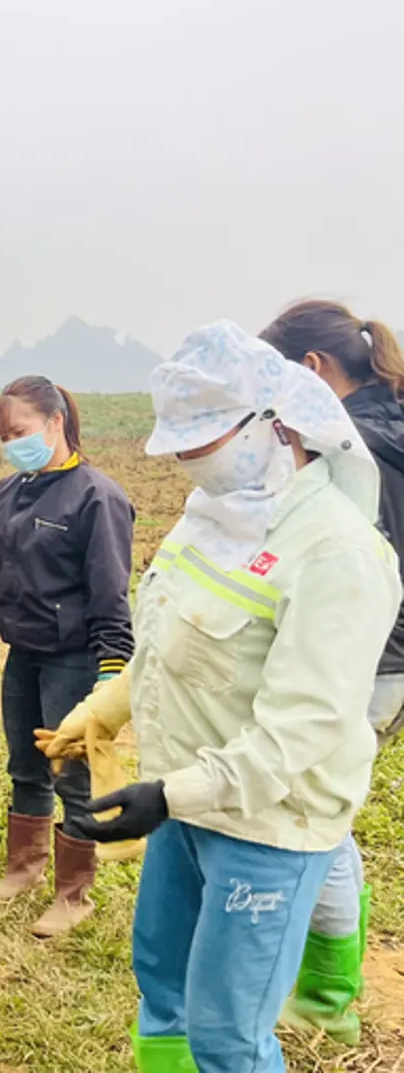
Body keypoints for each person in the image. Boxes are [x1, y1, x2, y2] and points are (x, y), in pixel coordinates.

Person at [40, 321, 400, 1073]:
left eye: (201, 443)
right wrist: (101, 711)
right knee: (163, 989)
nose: (186, 463)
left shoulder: (337, 554)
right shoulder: (209, 523)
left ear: (276, 427)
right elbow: (167, 642)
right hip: (186, 798)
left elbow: (298, 735)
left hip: (266, 821)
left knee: (229, 1034)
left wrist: (168, 796)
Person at [259, 300, 404, 1043]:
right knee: (329, 813)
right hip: (388, 657)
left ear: (312, 371)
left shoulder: (357, 450)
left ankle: (326, 997)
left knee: (321, 821)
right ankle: (325, 983)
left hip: (362, 656)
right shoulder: (394, 428)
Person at [0, 375, 135, 938]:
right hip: (23, 655)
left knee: (71, 775)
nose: (11, 444)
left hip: (73, 659)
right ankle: (22, 870)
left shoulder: (96, 498)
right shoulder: (9, 491)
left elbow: (110, 596)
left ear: (56, 423)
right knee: (24, 766)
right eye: (2, 436)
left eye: (20, 431)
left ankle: (73, 894)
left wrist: (108, 680)